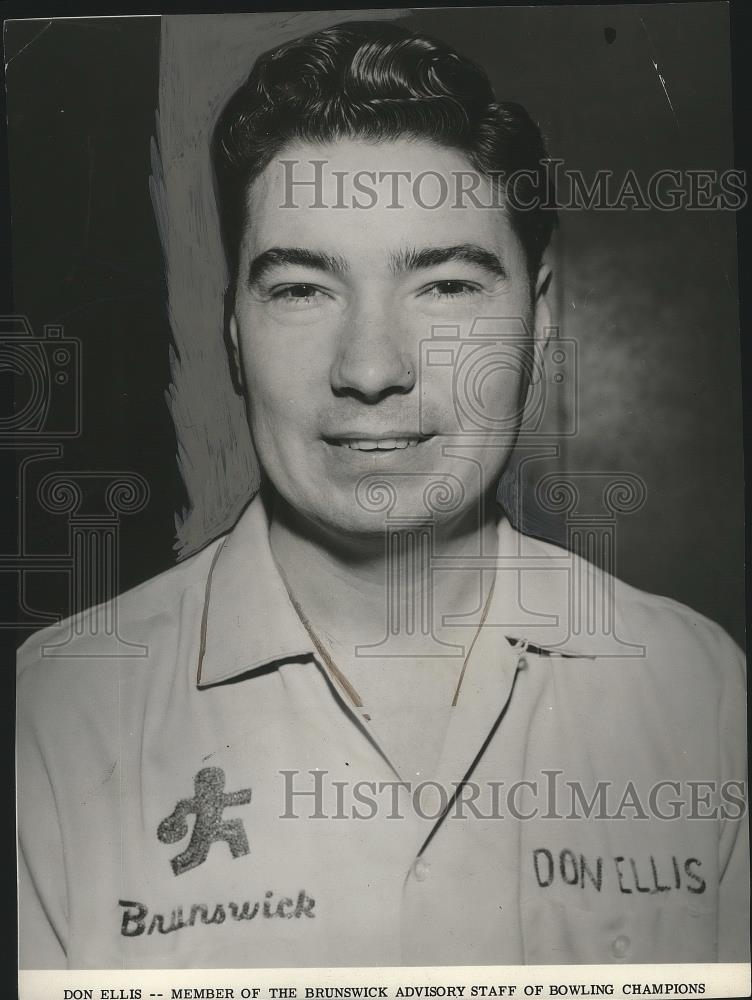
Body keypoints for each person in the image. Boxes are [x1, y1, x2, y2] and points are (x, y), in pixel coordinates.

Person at [17, 20, 748, 970]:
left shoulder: (701, 691)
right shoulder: (52, 717)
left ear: (542, 316)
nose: (371, 368)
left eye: (445, 285)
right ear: (232, 332)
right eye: (300, 289)